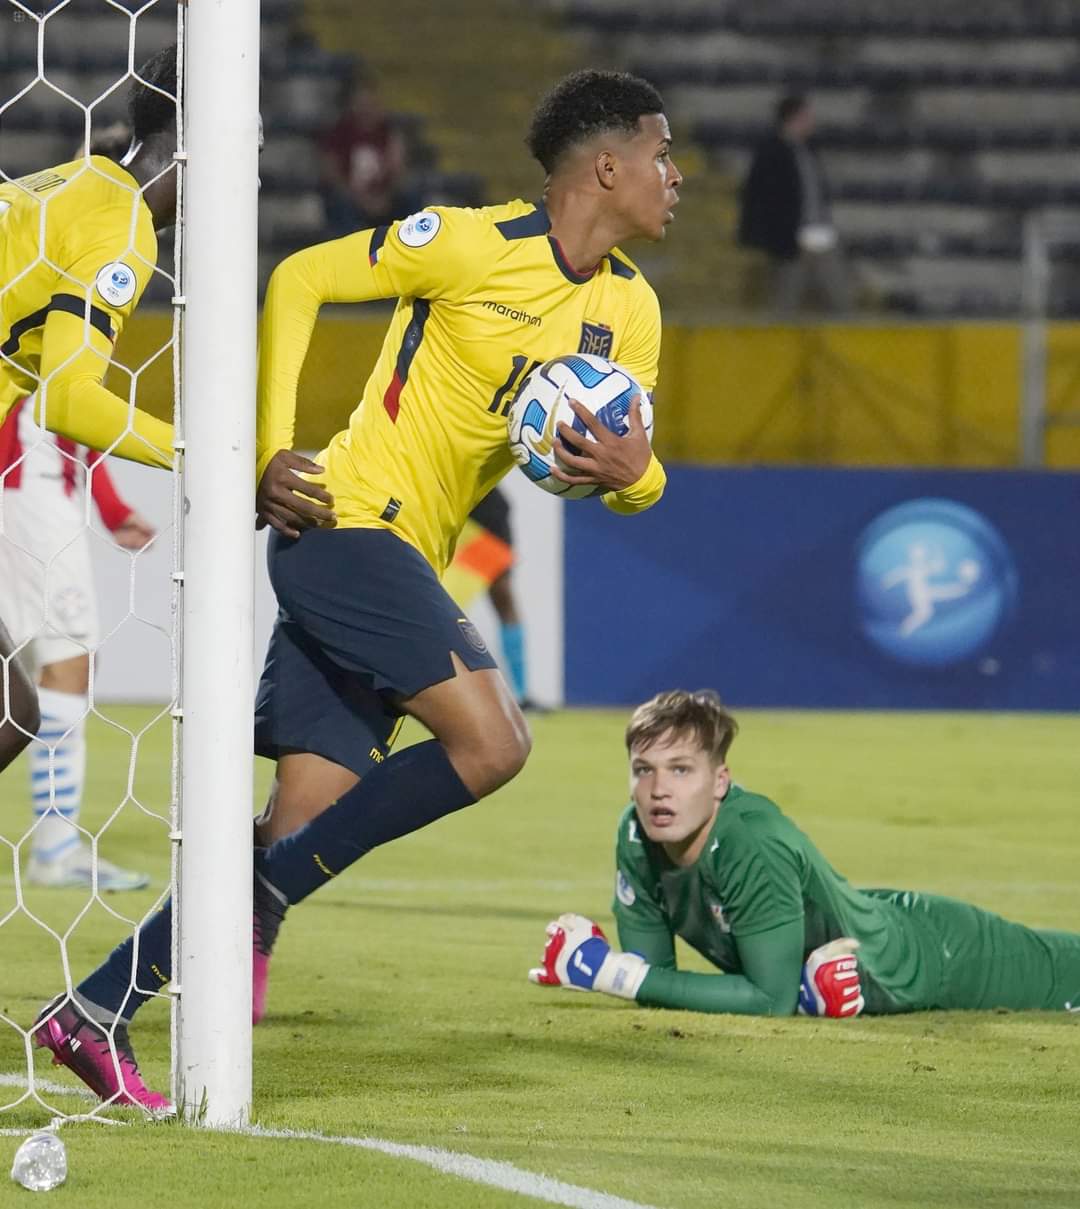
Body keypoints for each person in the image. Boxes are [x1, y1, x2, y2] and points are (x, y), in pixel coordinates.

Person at [37, 68, 680, 1109]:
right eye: (661, 154)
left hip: (403, 557)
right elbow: (298, 280)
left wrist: (632, 476)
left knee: (297, 824)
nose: (675, 176)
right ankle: (254, 905)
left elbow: (636, 478)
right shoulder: (471, 244)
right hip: (343, 523)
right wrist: (270, 447)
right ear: (606, 167)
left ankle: (95, 1010)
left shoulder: (631, 315)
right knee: (494, 743)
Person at [528, 689, 1080, 1017]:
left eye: (680, 770)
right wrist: (624, 974)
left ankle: (820, 990)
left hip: (929, 957)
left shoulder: (749, 840)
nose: (658, 790)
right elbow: (655, 979)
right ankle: (818, 990)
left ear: (720, 781)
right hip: (863, 927)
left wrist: (608, 974)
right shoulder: (636, 835)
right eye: (643, 770)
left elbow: (766, 1002)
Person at [0, 46, 178, 782]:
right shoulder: (121, 228)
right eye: (251, 146)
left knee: (15, 708)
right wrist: (219, 456)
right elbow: (69, 398)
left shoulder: (62, 180)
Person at [0, 398, 155, 890]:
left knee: (30, 675)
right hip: (29, 498)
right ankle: (56, 850)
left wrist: (111, 510)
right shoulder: (44, 341)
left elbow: (75, 418)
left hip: (40, 491)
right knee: (68, 664)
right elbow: (64, 401)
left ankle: (56, 847)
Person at [737, 94, 851, 315]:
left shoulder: (808, 150)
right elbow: (761, 198)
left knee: (839, 297)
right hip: (790, 239)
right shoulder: (772, 152)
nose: (812, 122)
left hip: (819, 233)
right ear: (794, 117)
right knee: (785, 301)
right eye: (807, 116)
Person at [442, 486, 541, 710]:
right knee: (443, 603)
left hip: (489, 516)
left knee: (504, 599)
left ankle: (522, 694)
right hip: (456, 509)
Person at [318, 72, 410, 239]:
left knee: (409, 196)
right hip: (351, 198)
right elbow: (331, 174)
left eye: (370, 103)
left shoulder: (388, 132)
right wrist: (361, 200)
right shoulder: (340, 132)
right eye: (361, 103)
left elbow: (398, 169)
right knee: (338, 202)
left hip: (384, 197)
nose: (366, 108)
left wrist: (384, 197)